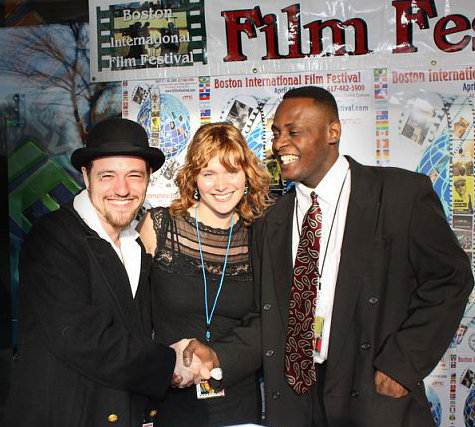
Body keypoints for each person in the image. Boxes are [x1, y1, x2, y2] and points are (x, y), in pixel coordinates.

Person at [253, 86, 473, 427]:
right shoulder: (271, 220)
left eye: (293, 132)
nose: (279, 144)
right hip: (297, 400)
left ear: (333, 132)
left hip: (371, 395)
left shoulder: (400, 195)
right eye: (276, 133)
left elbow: (451, 278)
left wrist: (403, 364)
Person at [3, 118, 202, 427]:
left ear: (148, 178)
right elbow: (83, 338)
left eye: (134, 175)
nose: (122, 189)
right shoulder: (53, 236)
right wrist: (169, 362)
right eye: (107, 175)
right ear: (86, 176)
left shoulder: (136, 245)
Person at [139, 122, 271, 426]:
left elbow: (268, 320)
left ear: (247, 175)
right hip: (169, 395)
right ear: (193, 178)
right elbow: (132, 313)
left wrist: (219, 354)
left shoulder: (259, 235)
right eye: (209, 173)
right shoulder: (159, 226)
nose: (221, 184)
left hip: (236, 398)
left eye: (232, 171)